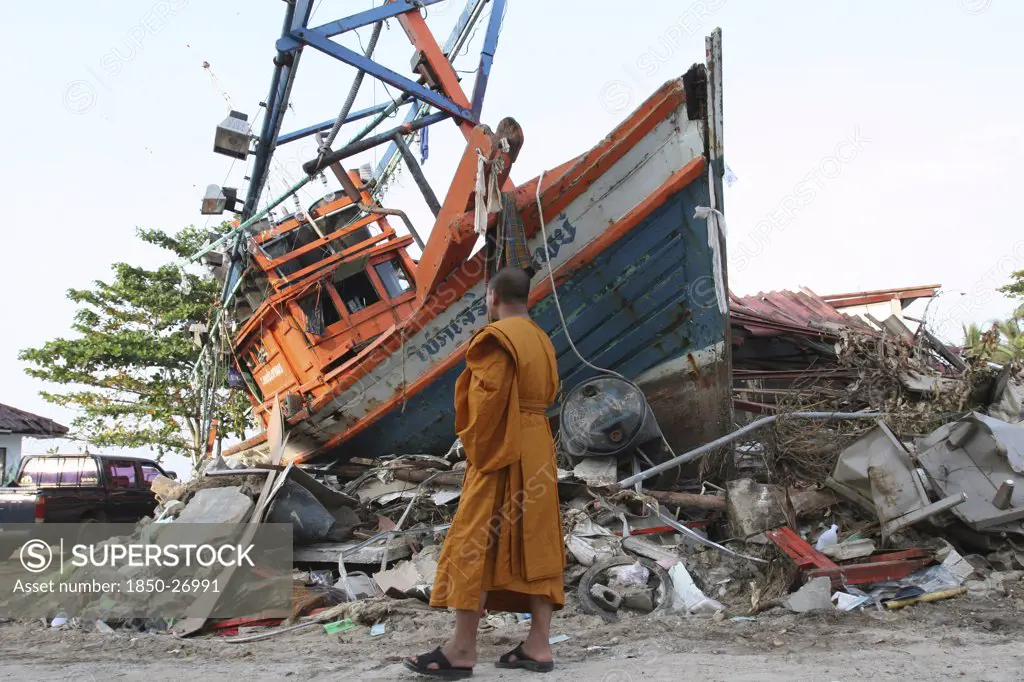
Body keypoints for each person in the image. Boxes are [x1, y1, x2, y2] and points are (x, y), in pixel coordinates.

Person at [404, 267, 565, 678]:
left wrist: (477, 448)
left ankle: (460, 649)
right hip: (539, 445)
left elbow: (487, 403)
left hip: (503, 446)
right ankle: (539, 645)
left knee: (475, 541)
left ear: (491, 296)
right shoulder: (543, 340)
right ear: (526, 298)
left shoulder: (495, 339)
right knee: (537, 542)